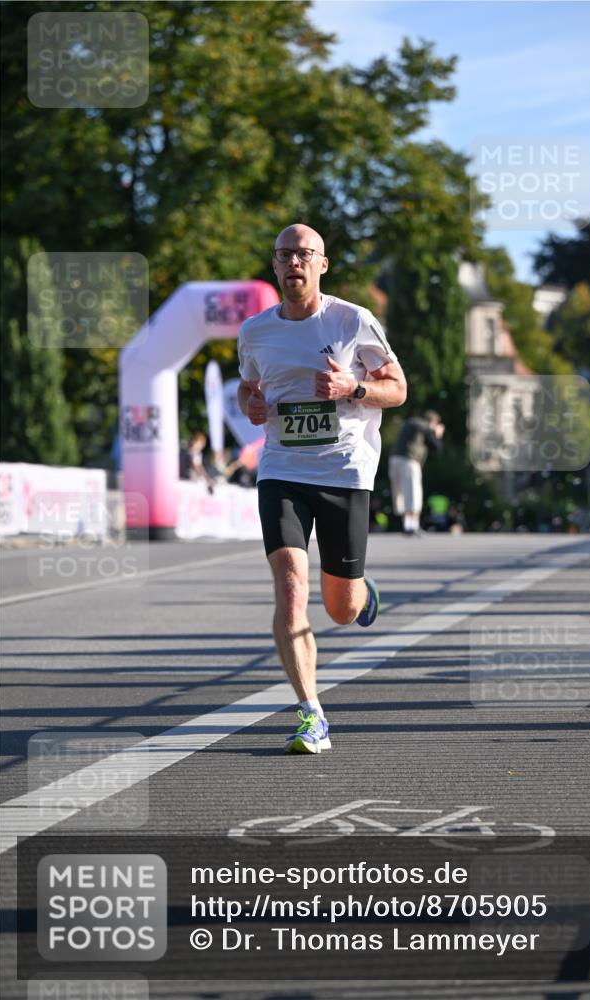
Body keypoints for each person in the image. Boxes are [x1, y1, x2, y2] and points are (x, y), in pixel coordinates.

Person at [237, 223, 407, 754]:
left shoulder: (352, 320)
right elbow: (248, 387)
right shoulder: (255, 332)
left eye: (304, 254)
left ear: (322, 264)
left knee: (340, 609)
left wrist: (353, 386)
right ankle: (312, 712)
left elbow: (398, 389)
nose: (294, 262)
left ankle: (361, 590)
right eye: (285, 253)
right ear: (274, 264)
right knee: (290, 584)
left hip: (344, 471)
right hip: (282, 469)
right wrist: (252, 406)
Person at [388, 411, 445, 535]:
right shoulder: (424, 426)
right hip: (409, 461)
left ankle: (406, 525)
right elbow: (436, 447)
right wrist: (437, 434)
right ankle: (412, 526)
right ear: (433, 422)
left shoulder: (411, 423)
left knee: (400, 493)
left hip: (394, 459)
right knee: (413, 492)